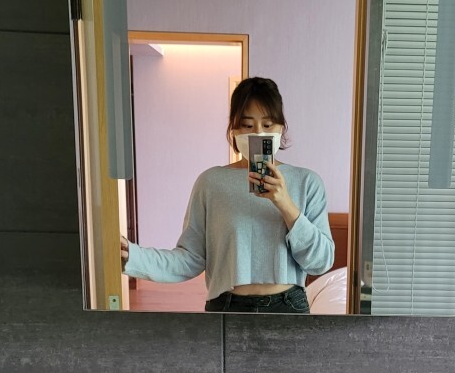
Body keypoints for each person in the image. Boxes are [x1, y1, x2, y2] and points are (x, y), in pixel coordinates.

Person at [121, 77, 335, 313]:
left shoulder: (307, 182)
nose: (258, 133)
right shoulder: (211, 182)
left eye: (267, 124)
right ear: (234, 130)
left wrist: (285, 204)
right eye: (247, 125)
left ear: (281, 128)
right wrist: (134, 257)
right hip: (227, 306)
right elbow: (190, 258)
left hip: (288, 307)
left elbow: (320, 262)